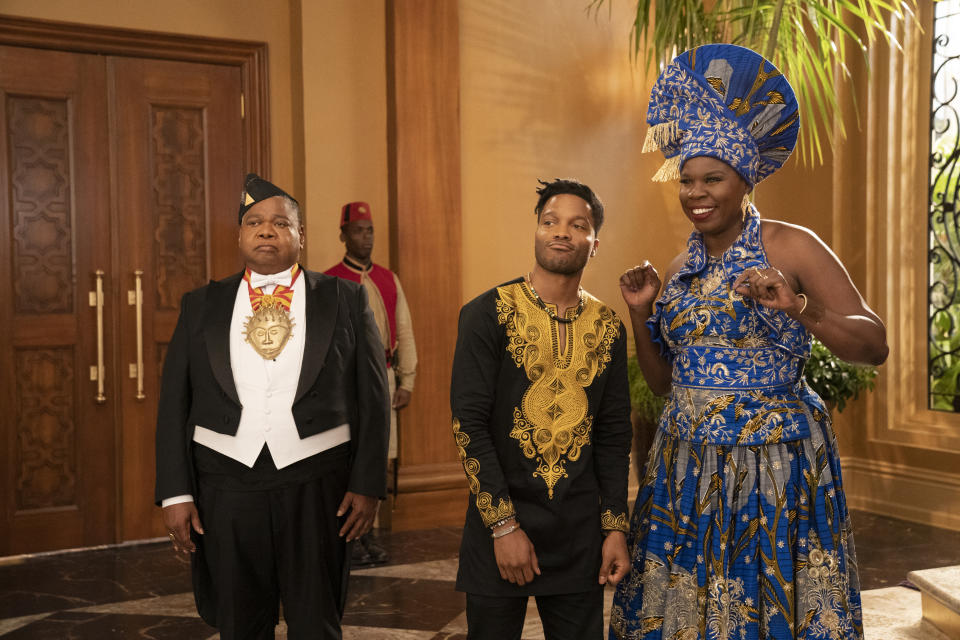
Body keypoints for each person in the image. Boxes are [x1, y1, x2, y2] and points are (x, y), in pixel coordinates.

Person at [609, 44, 888, 640]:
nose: (695, 192)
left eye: (712, 178)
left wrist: (799, 308)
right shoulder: (682, 263)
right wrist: (641, 314)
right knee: (685, 614)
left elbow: (873, 345)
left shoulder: (793, 247)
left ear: (744, 182)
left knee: (767, 612)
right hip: (684, 465)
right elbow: (664, 384)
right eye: (686, 180)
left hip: (776, 466)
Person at [155, 173, 390, 640]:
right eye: (255, 222)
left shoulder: (345, 298)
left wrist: (367, 484)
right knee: (240, 623)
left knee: (316, 622)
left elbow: (373, 397)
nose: (267, 230)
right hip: (226, 482)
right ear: (240, 235)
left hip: (317, 482)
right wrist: (176, 493)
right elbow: (172, 404)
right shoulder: (200, 305)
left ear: (301, 237)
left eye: (281, 223)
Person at [451, 178, 633, 640]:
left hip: (577, 534)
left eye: (578, 225)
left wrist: (614, 527)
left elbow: (613, 434)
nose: (561, 232)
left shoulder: (609, 327)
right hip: (500, 524)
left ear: (594, 243)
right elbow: (468, 424)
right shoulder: (486, 314)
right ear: (536, 231)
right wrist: (502, 526)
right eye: (550, 221)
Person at [324, 201, 418, 565]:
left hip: (386, 377)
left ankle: (369, 535)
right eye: (359, 230)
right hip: (346, 385)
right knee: (348, 458)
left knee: (379, 457)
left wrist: (406, 379)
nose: (366, 237)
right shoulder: (330, 280)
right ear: (343, 235)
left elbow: (405, 330)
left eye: (370, 230)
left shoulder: (387, 279)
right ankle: (348, 538)